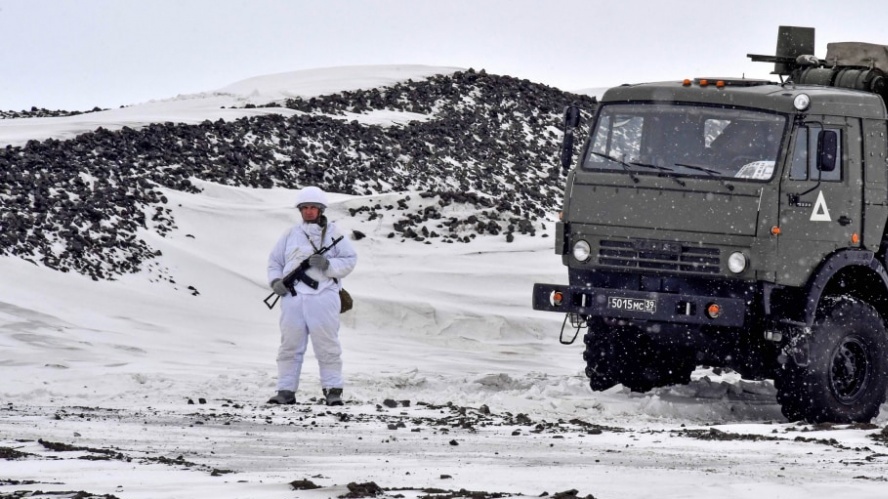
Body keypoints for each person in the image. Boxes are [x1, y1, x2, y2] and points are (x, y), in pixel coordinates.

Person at [266, 186, 357, 406]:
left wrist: (328, 265)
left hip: (324, 295)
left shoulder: (334, 233)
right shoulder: (290, 234)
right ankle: (285, 391)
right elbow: (275, 262)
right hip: (293, 298)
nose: (308, 212)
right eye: (304, 208)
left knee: (327, 345)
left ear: (320, 210)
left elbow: (349, 259)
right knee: (289, 346)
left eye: (312, 208)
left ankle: (333, 390)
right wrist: (276, 281)